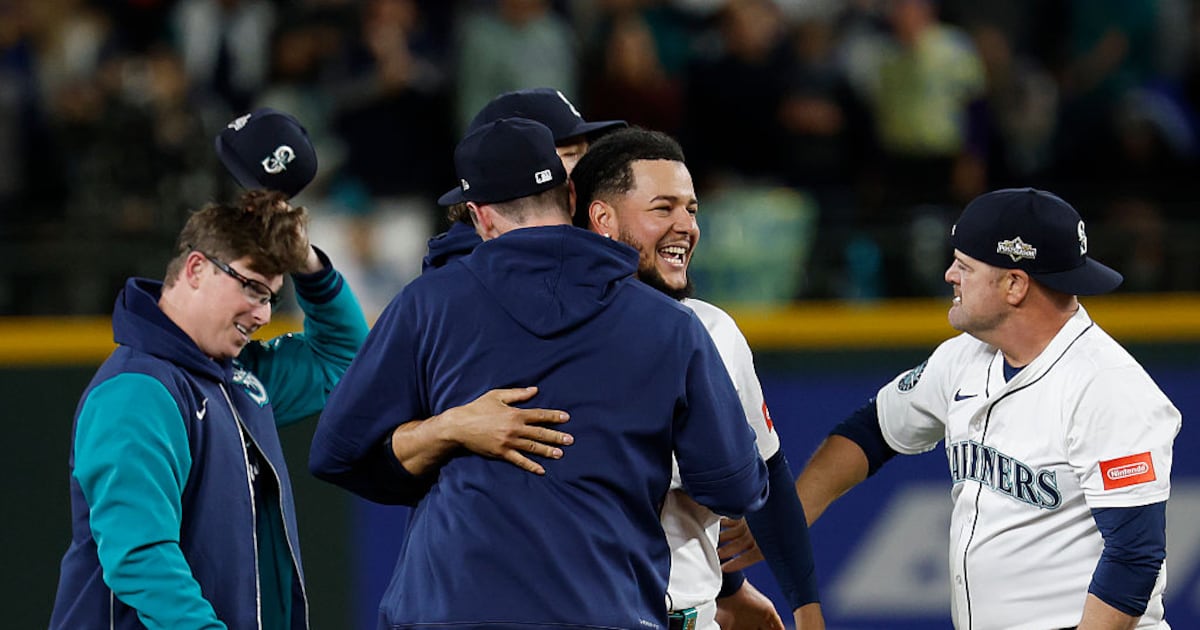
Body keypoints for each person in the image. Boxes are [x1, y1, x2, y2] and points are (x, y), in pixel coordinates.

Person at [309, 117, 769, 629]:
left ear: (479, 216)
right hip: (604, 610)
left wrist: (446, 432)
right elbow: (735, 488)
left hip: (450, 611)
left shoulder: (430, 303)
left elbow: (336, 453)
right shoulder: (672, 325)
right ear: (572, 195)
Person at [733, 188, 1180, 629]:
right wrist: (788, 520)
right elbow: (871, 430)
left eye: (965, 266)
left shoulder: (1108, 387)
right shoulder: (963, 358)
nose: (949, 274)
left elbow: (1134, 556)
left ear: (1014, 284)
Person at [50, 110, 369, 629]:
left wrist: (307, 260)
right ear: (195, 268)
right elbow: (141, 559)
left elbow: (344, 358)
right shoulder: (138, 391)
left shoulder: (239, 379)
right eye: (249, 287)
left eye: (270, 295)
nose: (263, 314)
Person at [570, 127, 824, 630]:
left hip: (694, 616)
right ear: (603, 218)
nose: (685, 225)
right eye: (663, 209)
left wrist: (807, 609)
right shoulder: (552, 333)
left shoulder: (713, 330)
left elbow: (769, 474)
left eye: (691, 209)